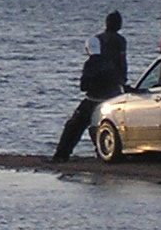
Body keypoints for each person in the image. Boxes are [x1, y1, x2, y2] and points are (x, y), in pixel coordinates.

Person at [52, 11, 129, 162]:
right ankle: (103, 151)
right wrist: (122, 80)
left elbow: (86, 81)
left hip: (96, 91)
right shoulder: (120, 40)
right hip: (112, 88)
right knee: (102, 122)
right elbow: (122, 62)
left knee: (76, 124)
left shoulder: (98, 41)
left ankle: (62, 154)